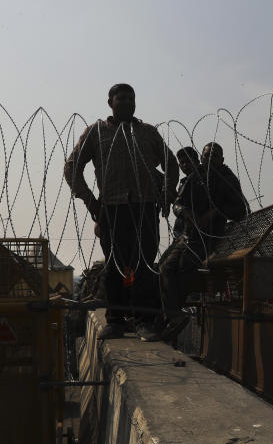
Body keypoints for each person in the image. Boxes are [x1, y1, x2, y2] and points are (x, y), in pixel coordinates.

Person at [64, 84, 179, 339]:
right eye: (121, 98)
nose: (127, 102)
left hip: (144, 207)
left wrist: (166, 195)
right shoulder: (96, 133)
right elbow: (71, 167)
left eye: (131, 98)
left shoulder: (147, 133)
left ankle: (145, 322)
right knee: (115, 265)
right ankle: (115, 321)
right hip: (112, 208)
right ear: (110, 102)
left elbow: (171, 164)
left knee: (144, 265)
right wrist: (90, 200)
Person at [140, 143, 247, 342]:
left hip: (209, 237)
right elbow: (177, 204)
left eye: (215, 157)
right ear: (202, 158)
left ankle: (167, 320)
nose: (209, 161)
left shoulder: (227, 179)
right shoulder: (195, 178)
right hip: (188, 235)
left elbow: (242, 209)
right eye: (207, 157)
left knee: (183, 269)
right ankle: (169, 316)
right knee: (163, 267)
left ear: (221, 160)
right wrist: (186, 212)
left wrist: (214, 212)